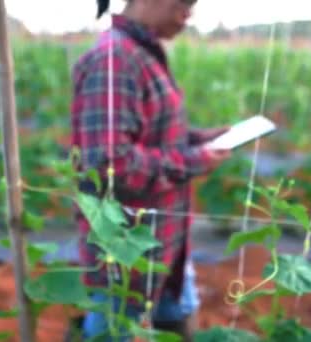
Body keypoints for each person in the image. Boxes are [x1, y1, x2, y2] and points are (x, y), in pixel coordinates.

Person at [69, 0, 231, 340]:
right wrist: (196, 159)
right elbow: (111, 166)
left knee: (178, 322)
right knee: (113, 331)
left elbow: (153, 133)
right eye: (184, 2)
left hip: (165, 245)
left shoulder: (142, 53)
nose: (189, 13)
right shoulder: (114, 60)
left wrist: (203, 140)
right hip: (126, 256)